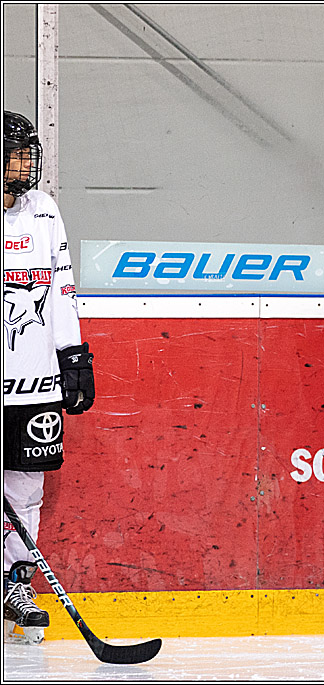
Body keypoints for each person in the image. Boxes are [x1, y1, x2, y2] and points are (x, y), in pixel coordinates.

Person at [3, 110, 95, 645]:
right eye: (15, 152)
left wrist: (73, 356)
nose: (26, 162)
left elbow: (60, 286)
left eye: (26, 152)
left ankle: (16, 584)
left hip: (34, 377)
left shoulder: (43, 211)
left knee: (26, 485)